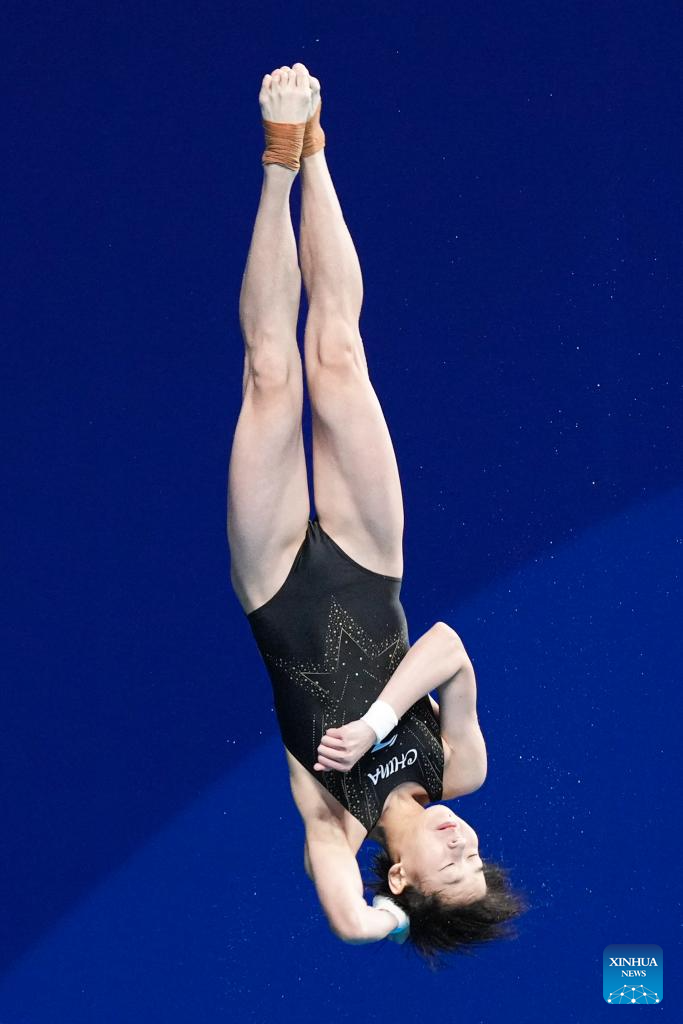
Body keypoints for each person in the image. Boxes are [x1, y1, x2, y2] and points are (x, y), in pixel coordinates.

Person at [226, 63, 528, 967]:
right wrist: (381, 721)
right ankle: (314, 149)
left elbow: (350, 921)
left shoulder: (332, 824)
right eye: (475, 856)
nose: (463, 845)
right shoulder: (460, 770)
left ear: (399, 877)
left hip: (275, 585)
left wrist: (393, 924)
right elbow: (448, 647)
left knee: (270, 374)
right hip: (369, 563)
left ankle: (276, 161)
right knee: (338, 353)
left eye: (450, 869)